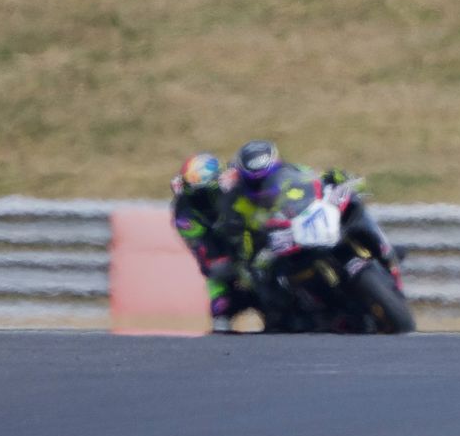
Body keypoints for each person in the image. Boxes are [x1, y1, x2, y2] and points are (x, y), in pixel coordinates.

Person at [227, 140, 402, 282]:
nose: (264, 186)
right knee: (271, 280)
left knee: (353, 206)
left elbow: (314, 178)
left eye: (268, 178)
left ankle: (385, 252)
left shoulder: (292, 171)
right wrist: (255, 253)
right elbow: (246, 236)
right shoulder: (240, 202)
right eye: (257, 183)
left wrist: (338, 178)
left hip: (312, 218)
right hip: (286, 242)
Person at [170, 153, 255, 333]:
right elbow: (204, 250)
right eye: (198, 195)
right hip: (221, 251)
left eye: (210, 194)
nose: (205, 201)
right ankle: (221, 313)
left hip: (254, 242)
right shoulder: (184, 213)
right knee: (217, 273)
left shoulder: (239, 187)